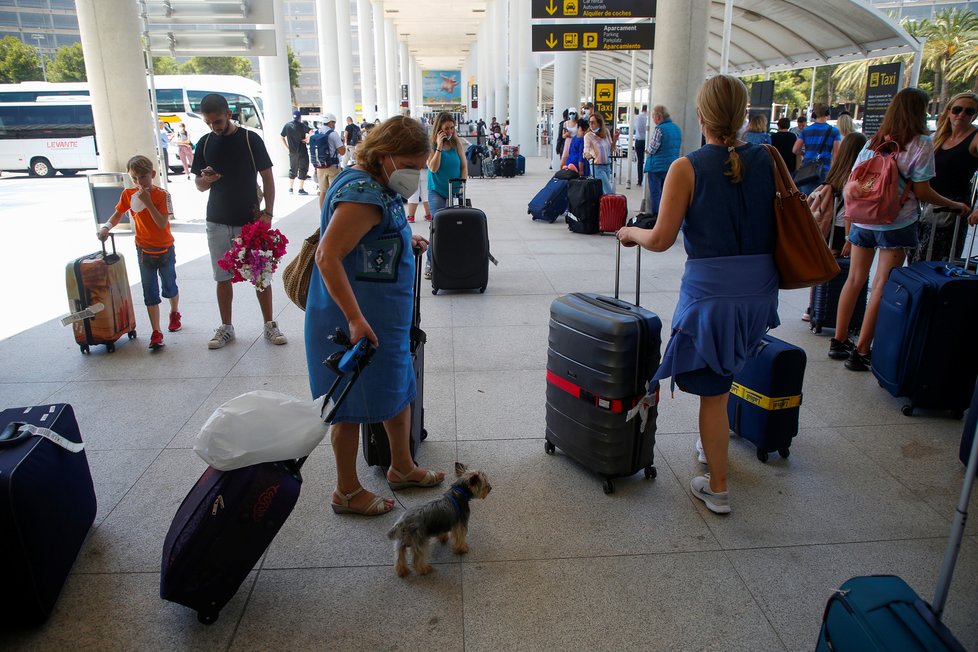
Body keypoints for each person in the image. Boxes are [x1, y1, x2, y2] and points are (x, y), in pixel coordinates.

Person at [616, 74, 780, 515]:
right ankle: (712, 447)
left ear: (702, 115)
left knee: (714, 393)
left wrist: (630, 231)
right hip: (761, 292)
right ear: (744, 115)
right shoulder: (768, 157)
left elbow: (662, 238)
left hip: (712, 297)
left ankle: (719, 488)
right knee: (727, 375)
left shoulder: (687, 167)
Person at [305, 116, 445, 516]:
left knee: (397, 388)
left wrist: (406, 241)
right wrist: (353, 318)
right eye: (412, 165)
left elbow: (373, 237)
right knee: (349, 404)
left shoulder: (379, 184)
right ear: (385, 156)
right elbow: (327, 255)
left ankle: (401, 466)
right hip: (354, 319)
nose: (416, 173)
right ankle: (346, 491)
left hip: (384, 317)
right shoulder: (361, 193)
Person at [830, 88, 970, 371]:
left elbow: (853, 181)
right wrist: (953, 204)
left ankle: (839, 339)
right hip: (896, 221)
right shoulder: (921, 143)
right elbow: (922, 190)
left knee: (855, 278)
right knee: (881, 282)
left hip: (862, 219)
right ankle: (861, 351)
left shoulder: (873, 141)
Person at [191, 93, 286, 350]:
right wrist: (206, 180)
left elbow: (267, 176)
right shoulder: (205, 142)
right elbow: (199, 185)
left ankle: (269, 323)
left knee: (260, 275)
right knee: (222, 277)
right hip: (217, 219)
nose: (214, 127)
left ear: (229, 115)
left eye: (218, 121)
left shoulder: (249, 139)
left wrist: (268, 212)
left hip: (250, 220)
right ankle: (226, 327)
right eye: (209, 123)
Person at [98, 155, 180, 351]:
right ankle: (156, 331)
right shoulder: (128, 195)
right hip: (143, 249)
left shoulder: (162, 195)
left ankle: (174, 312)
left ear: (152, 175)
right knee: (149, 290)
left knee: (169, 286)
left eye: (142, 177)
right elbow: (118, 212)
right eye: (134, 178)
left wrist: (148, 202)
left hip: (165, 248)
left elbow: (162, 223)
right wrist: (107, 227)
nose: (138, 182)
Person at [912, 92, 978, 263]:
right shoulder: (938, 137)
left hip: (952, 209)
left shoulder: (975, 137)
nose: (961, 114)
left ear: (975, 115)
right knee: (915, 258)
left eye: (969, 111)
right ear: (949, 111)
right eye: (957, 109)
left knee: (939, 261)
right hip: (924, 205)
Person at [807, 132, 868, 255]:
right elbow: (849, 212)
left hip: (830, 226)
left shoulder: (835, 173)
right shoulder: (855, 177)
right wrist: (848, 238)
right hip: (844, 230)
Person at [424, 112, 468, 278]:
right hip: (437, 190)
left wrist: (462, 185)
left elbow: (463, 166)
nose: (450, 131)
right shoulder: (431, 145)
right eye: (446, 129)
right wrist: (439, 147)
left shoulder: (457, 143)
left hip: (455, 190)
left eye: (452, 128)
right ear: (438, 129)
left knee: (455, 226)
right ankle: (430, 263)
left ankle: (453, 261)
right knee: (437, 227)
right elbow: (433, 168)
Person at [792, 104, 841, 194]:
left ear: (814, 114)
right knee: (820, 201)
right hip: (824, 168)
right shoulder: (834, 131)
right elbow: (836, 154)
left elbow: (795, 150)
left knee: (806, 201)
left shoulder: (806, 130)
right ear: (827, 113)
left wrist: (804, 153)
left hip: (807, 169)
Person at [643, 104, 682, 215]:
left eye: (653, 117)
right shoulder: (677, 129)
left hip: (657, 167)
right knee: (668, 194)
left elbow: (652, 149)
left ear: (658, 117)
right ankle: (668, 217)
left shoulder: (660, 129)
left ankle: (657, 217)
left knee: (656, 194)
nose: (653, 119)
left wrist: (647, 150)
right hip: (671, 167)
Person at [308, 114, 346, 208]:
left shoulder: (316, 132)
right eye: (334, 122)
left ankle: (323, 216)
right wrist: (343, 143)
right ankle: (332, 215)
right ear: (331, 122)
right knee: (334, 191)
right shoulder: (333, 134)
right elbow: (342, 152)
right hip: (333, 166)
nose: (334, 125)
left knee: (323, 193)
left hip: (320, 167)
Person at [584, 113, 618, 195]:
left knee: (602, 193)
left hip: (607, 166)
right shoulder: (588, 136)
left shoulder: (606, 132)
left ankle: (602, 207)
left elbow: (611, 149)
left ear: (599, 123)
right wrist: (587, 154)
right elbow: (586, 149)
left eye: (593, 122)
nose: (591, 124)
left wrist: (615, 140)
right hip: (597, 167)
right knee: (608, 192)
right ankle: (610, 207)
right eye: (589, 122)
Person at [280, 110, 311, 195]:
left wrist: (287, 147)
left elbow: (281, 137)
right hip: (302, 151)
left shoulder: (287, 125)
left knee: (293, 169)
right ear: (300, 117)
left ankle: (291, 188)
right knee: (303, 168)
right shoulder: (301, 125)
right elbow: (311, 132)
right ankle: (300, 189)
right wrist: (307, 139)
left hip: (292, 152)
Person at [632, 105, 649, 185]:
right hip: (647, 141)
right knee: (648, 160)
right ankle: (647, 181)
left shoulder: (637, 117)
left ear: (642, 109)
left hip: (639, 140)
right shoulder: (648, 118)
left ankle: (640, 180)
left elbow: (635, 128)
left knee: (640, 161)